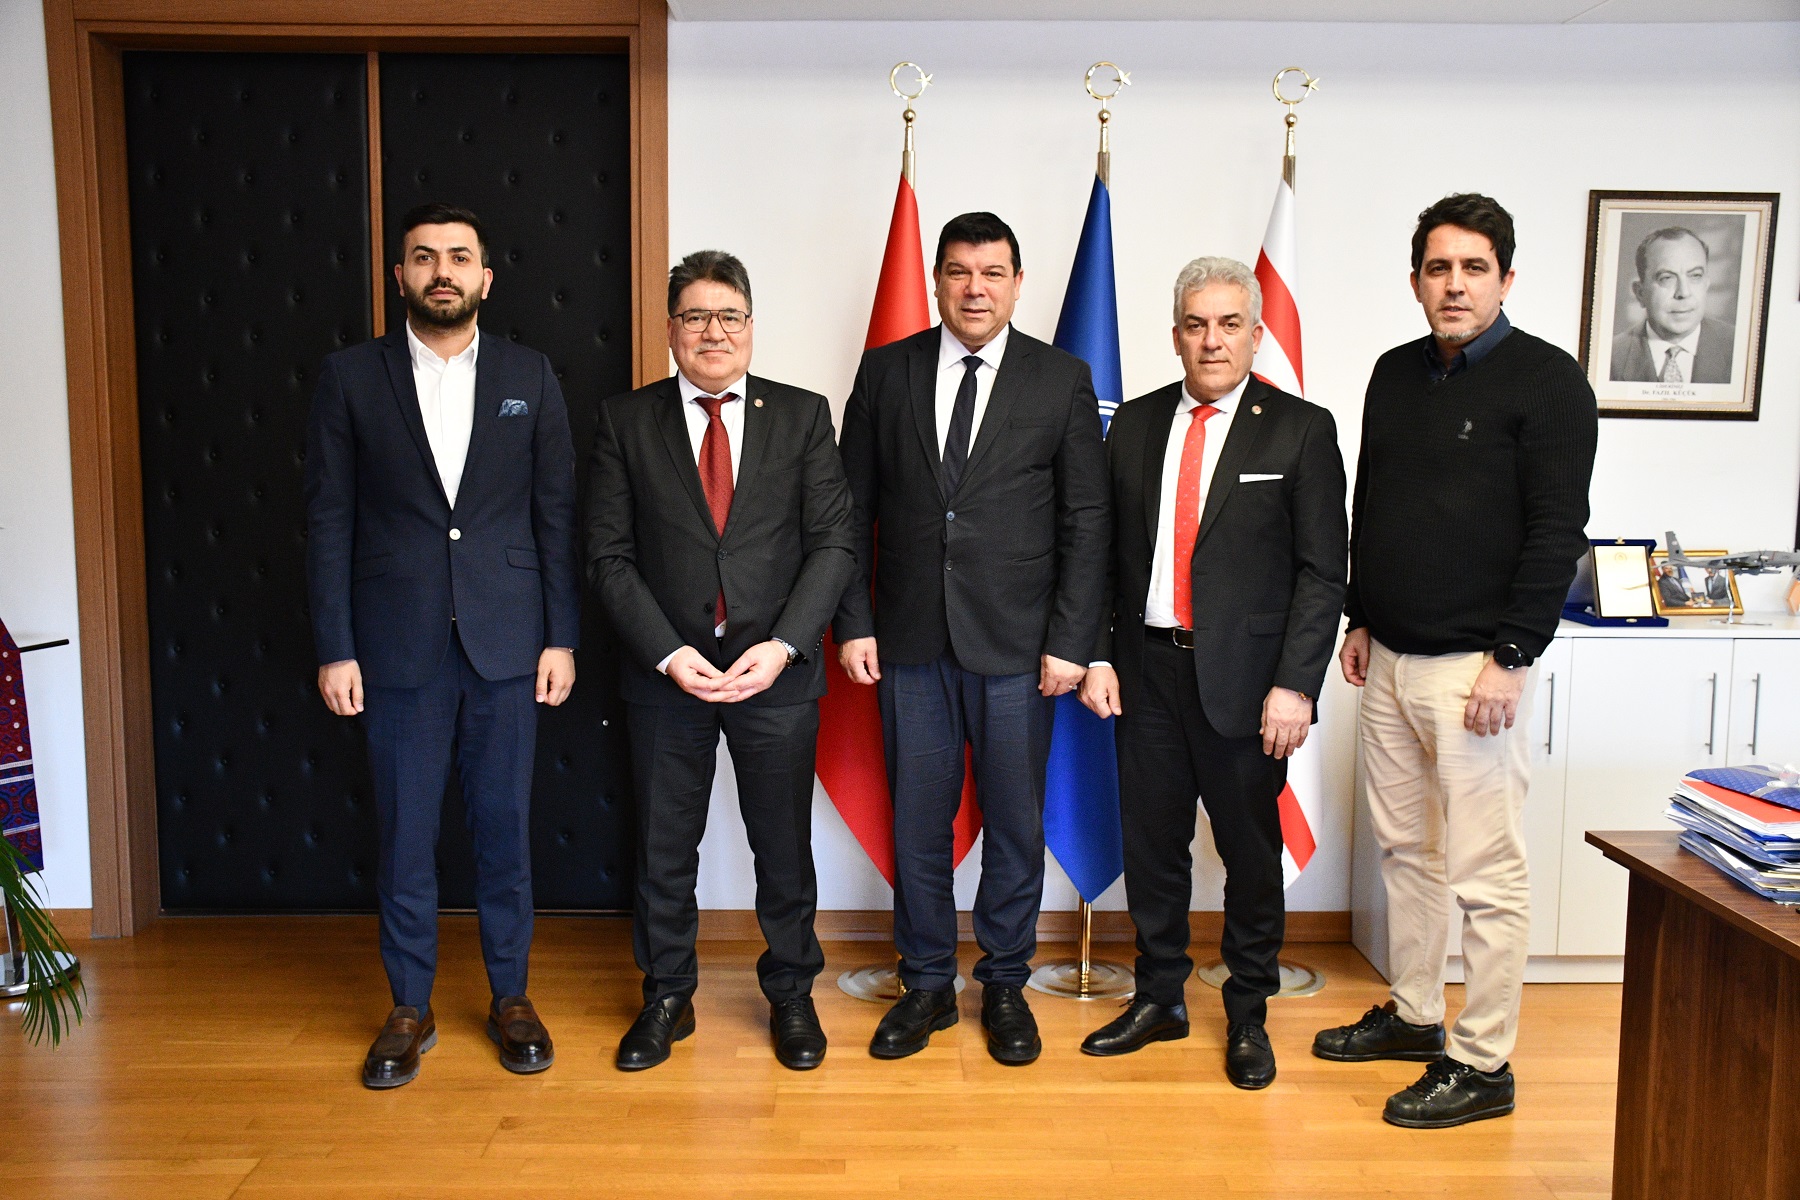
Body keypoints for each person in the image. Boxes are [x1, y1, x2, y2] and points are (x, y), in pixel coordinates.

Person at [1312, 194, 1597, 1128]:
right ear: (1415, 281)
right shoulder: (1393, 374)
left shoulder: (1549, 383)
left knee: (1486, 872)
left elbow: (1557, 531)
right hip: (1389, 660)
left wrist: (1512, 656)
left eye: (1475, 268)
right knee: (1407, 854)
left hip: (1477, 669)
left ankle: (1483, 1063)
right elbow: (1373, 503)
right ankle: (1414, 1015)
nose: (1456, 285)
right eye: (1439, 268)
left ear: (1506, 279)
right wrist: (1360, 616)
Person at [305, 202, 580, 1089]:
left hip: (509, 645)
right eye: (424, 258)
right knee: (405, 837)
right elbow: (328, 519)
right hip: (394, 648)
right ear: (401, 276)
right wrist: (335, 646)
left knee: (505, 833)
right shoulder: (351, 377)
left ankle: (511, 998)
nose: (442, 272)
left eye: (459, 257)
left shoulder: (530, 375)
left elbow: (555, 517)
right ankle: (408, 1007)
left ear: (485, 278)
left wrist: (562, 638)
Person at [835, 212, 1109, 1066]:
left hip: (1020, 650)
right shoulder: (886, 371)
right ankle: (925, 984)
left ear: (1018, 284)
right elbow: (848, 512)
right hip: (909, 642)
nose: (975, 289)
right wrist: (854, 622)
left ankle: (1004, 983)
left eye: (992, 273)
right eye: (958, 272)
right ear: (937, 282)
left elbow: (1086, 520)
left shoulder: (1061, 378)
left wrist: (1071, 640)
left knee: (1015, 825)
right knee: (919, 823)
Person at [1076, 258, 1345, 1088]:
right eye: (1196, 325)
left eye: (1229, 324)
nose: (1212, 340)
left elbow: (1322, 573)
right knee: (1153, 849)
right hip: (1145, 671)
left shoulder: (1300, 429)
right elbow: (1102, 553)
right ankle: (1159, 996)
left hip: (1250, 683)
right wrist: (1097, 654)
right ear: (1175, 336)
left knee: (1250, 857)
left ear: (1257, 335)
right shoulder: (1135, 424)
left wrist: (1296, 684)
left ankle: (1248, 1012)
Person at [586, 250, 856, 1073]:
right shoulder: (625, 421)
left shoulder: (802, 416)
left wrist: (784, 645)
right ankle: (667, 995)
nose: (713, 331)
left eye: (728, 315)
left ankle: (792, 994)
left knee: (783, 848)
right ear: (671, 329)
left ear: (750, 326)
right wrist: (667, 653)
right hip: (666, 678)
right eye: (695, 316)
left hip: (775, 673)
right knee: (665, 849)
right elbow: (607, 556)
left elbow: (834, 544)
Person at [1610, 226, 1734, 384]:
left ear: (1706, 284)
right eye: (1666, 278)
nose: (1683, 292)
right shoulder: (1610, 357)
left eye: (1695, 276)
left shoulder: (1740, 349)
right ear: (1640, 293)